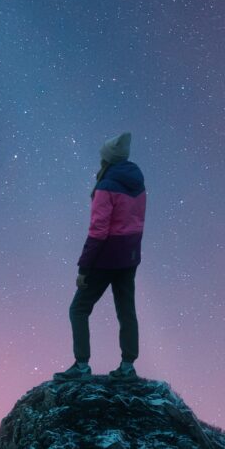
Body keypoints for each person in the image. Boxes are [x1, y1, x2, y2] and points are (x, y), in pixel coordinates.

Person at [58, 131, 145, 380]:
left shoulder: (106, 186)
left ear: (107, 158)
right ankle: (128, 367)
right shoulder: (138, 183)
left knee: (78, 309)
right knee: (126, 310)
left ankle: (82, 366)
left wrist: (84, 268)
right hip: (129, 256)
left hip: (106, 257)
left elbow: (98, 230)